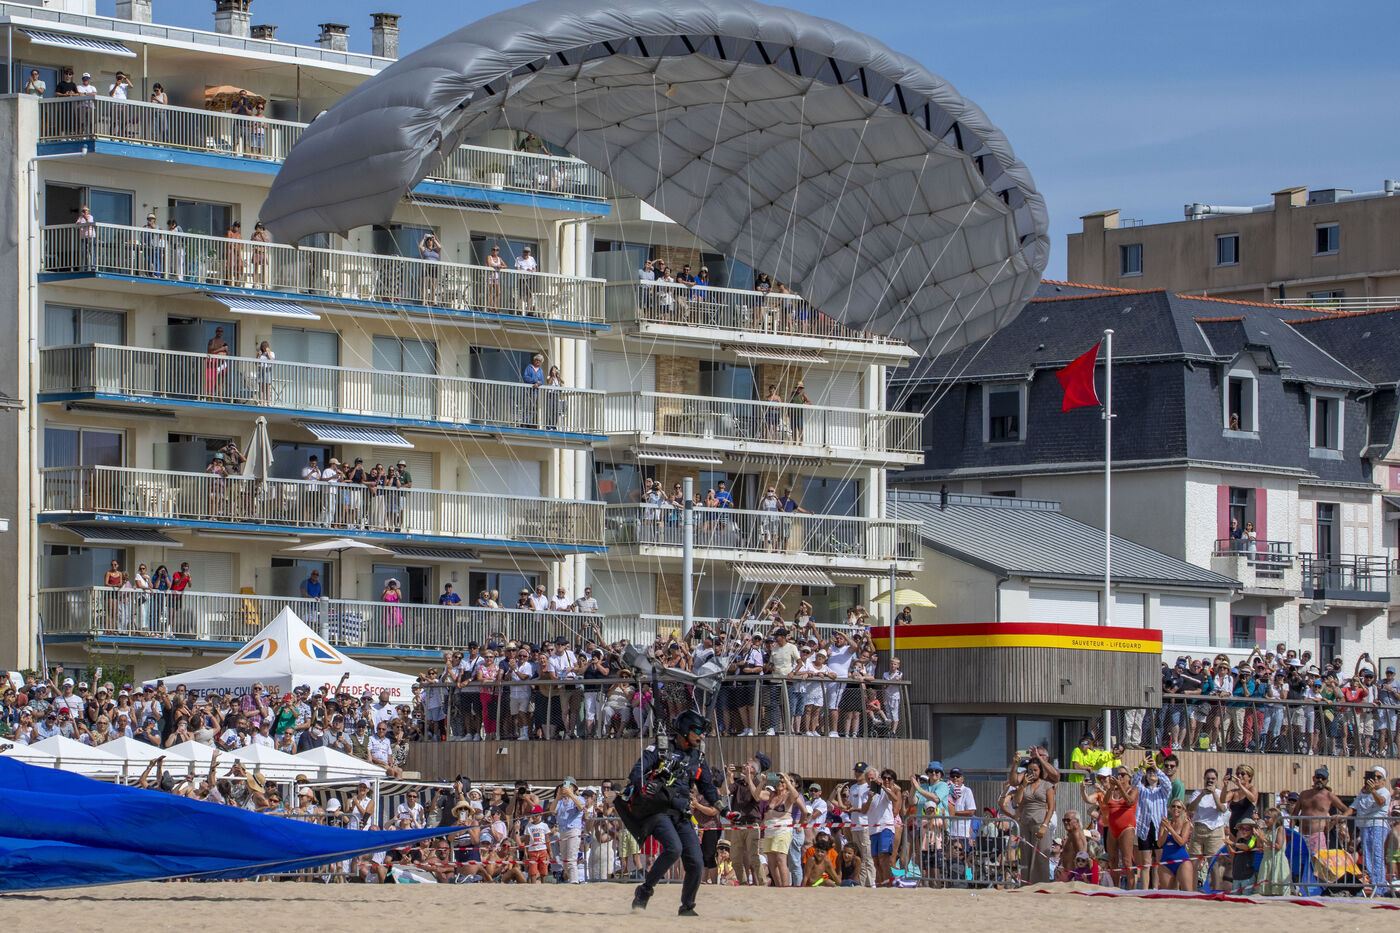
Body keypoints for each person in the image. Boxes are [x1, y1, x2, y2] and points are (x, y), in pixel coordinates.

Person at [615, 709, 718, 915]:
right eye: (698, 731)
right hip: (658, 810)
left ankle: (687, 906)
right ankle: (645, 890)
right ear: (685, 730)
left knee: (696, 861)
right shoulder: (661, 749)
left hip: (681, 813)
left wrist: (723, 808)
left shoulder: (697, 757)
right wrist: (644, 785)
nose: (701, 736)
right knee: (673, 848)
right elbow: (637, 771)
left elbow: (707, 788)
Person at [1013, 757, 1056, 883]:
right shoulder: (1025, 785)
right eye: (1030, 770)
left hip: (1040, 821)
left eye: (1036, 770)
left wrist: (1044, 825)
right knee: (1026, 855)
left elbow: (1051, 808)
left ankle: (1041, 883)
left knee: (1040, 857)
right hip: (1026, 822)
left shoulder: (1047, 785)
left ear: (1040, 771)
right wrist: (1023, 785)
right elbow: (1017, 801)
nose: (1033, 772)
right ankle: (1026, 882)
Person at [1355, 766, 1392, 896]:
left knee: (1377, 856)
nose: (1375, 779)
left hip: (1378, 826)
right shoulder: (1364, 792)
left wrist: (1373, 791)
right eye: (1373, 776)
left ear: (1383, 780)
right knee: (1368, 857)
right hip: (1365, 826)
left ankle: (1379, 887)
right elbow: (1355, 806)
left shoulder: (1384, 791)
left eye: (1379, 777)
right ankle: (1375, 885)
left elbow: (1381, 801)